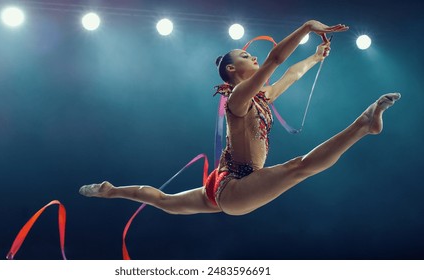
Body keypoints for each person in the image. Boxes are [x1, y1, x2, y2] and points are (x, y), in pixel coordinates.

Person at [79, 20, 400, 216]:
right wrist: (306, 27)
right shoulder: (237, 99)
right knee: (298, 168)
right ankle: (364, 123)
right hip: (235, 185)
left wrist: (315, 57)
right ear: (232, 70)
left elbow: (289, 73)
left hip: (220, 185)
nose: (255, 56)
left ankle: (109, 190)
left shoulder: (262, 97)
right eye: (247, 56)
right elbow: (276, 59)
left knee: (164, 200)